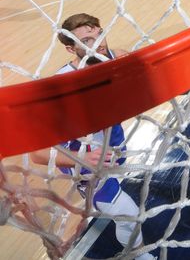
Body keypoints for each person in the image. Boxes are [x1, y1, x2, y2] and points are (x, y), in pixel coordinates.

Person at [29, 13, 156, 260]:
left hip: (116, 148)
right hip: (85, 164)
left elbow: (151, 76)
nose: (98, 43)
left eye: (99, 34)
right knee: (129, 215)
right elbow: (38, 153)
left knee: (123, 198)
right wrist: (82, 159)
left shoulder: (116, 56)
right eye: (88, 40)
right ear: (70, 48)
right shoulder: (61, 87)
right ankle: (139, 256)